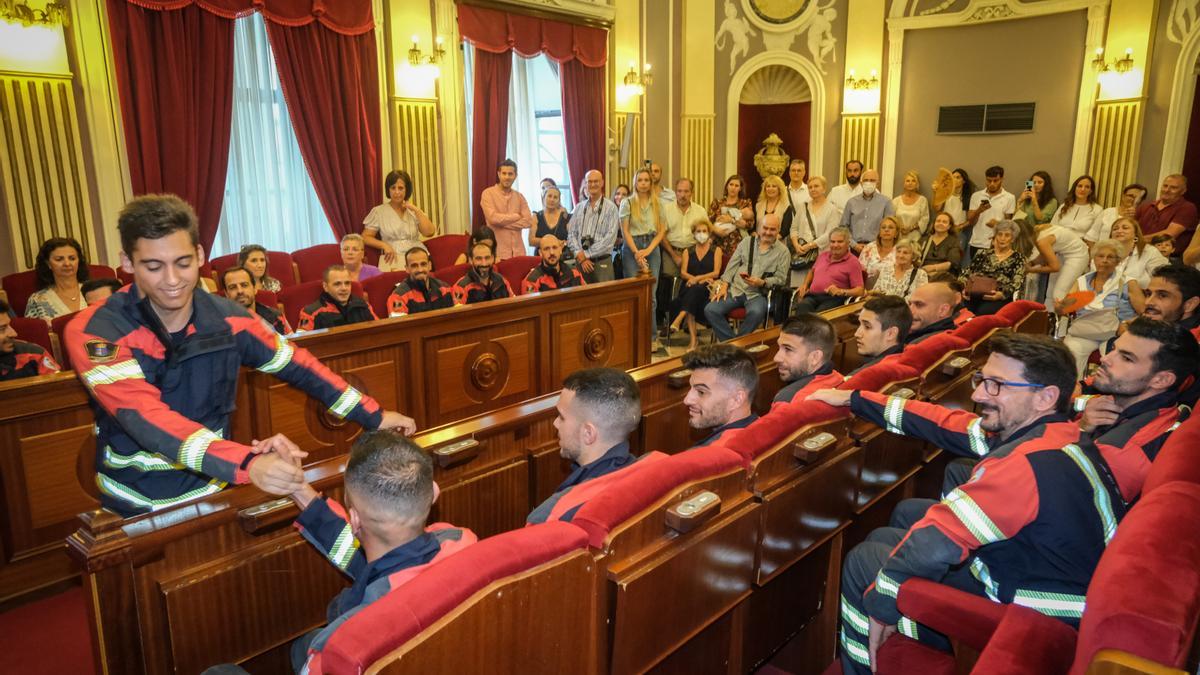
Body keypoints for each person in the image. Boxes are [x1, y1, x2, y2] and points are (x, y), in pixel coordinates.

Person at [64, 194, 415, 517]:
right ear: (127, 262)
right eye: (153, 266)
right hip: (135, 501)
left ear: (201, 255)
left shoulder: (229, 317)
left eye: (183, 263)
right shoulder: (96, 329)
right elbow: (146, 419)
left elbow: (298, 365)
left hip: (214, 487)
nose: (171, 280)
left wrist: (372, 414)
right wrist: (247, 463)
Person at [809, 333, 1125, 675]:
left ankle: (862, 666)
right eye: (980, 380)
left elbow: (933, 544)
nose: (977, 395)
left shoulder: (1023, 464)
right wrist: (855, 399)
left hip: (1034, 630)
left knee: (863, 564)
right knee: (888, 537)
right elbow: (944, 424)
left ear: (1045, 397)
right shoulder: (1057, 433)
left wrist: (884, 604)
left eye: (995, 385)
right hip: (1040, 588)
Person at [284, 430, 476, 674]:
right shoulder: (461, 540)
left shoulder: (339, 643)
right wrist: (298, 488)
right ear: (434, 493)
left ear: (353, 519)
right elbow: (381, 561)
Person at [1075, 317, 1198, 502]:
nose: (1105, 358)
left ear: (1161, 380)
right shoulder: (1161, 410)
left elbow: (1053, 492)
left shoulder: (1123, 451)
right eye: (1114, 349)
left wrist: (1080, 431)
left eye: (1126, 358)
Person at [527, 367, 640, 524]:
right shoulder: (650, 475)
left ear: (588, 433)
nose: (555, 423)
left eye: (561, 417)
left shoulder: (550, 517)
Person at [704, 214, 790, 342]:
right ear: (759, 228)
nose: (768, 232)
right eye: (765, 228)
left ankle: (737, 345)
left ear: (778, 230)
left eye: (772, 229)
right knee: (710, 309)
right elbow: (731, 266)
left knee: (756, 313)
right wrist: (724, 285)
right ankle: (734, 345)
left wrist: (763, 282)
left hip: (758, 295)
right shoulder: (746, 242)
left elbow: (781, 279)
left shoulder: (783, 252)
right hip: (735, 290)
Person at [1058, 241, 1130, 375]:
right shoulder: (1081, 281)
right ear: (1093, 259)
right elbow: (1065, 310)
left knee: (1114, 359)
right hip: (1084, 331)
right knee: (1070, 354)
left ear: (1118, 261)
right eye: (1100, 256)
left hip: (1114, 333)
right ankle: (1074, 390)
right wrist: (1062, 308)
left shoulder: (1127, 282)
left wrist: (1126, 323)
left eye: (1110, 257)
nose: (1104, 260)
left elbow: (1144, 311)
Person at [620, 168, 667, 349]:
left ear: (651, 183)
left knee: (651, 296)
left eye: (647, 180)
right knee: (634, 295)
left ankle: (651, 337)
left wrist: (647, 250)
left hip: (651, 247)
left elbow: (662, 230)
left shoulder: (658, 203)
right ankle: (632, 337)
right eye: (640, 180)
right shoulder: (627, 203)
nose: (643, 183)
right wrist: (637, 253)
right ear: (635, 182)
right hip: (631, 248)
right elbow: (625, 230)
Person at [682, 344, 759, 446]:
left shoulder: (709, 457)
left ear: (736, 399)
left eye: (701, 392)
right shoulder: (763, 429)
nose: (687, 400)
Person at [363, 170, 436, 272]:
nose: (397, 192)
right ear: (388, 190)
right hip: (394, 258)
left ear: (407, 190)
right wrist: (384, 245)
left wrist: (416, 210)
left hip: (418, 257)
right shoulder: (378, 211)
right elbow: (365, 237)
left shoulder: (413, 210)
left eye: (401, 188)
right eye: (393, 188)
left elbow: (429, 232)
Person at [668, 220, 723, 351]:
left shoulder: (716, 250)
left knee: (695, 290)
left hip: (707, 289)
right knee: (693, 292)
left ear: (709, 233)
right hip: (688, 286)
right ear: (693, 234)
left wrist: (697, 278)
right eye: (698, 231)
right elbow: (683, 272)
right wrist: (693, 279)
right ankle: (693, 339)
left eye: (704, 231)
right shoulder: (688, 251)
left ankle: (681, 319)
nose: (701, 234)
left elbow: (716, 273)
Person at [960, 220, 1027, 315]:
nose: (1002, 238)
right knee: (962, 309)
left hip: (998, 296)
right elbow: (967, 272)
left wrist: (1001, 295)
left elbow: (1017, 283)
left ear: (1012, 239)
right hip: (975, 293)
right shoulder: (982, 253)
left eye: (1007, 235)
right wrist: (963, 288)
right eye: (1000, 234)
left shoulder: (1019, 258)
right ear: (995, 236)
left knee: (983, 312)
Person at [793, 227, 865, 314]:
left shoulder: (853, 262)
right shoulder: (823, 256)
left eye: (840, 242)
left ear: (848, 243)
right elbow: (812, 271)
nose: (835, 245)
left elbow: (859, 290)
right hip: (813, 296)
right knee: (802, 309)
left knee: (820, 316)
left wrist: (841, 291)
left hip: (834, 298)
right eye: (833, 241)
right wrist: (805, 285)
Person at [772, 314, 842, 404]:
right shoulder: (842, 383)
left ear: (815, 357)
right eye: (779, 347)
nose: (776, 358)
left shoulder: (787, 400)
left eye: (788, 349)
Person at [568, 170, 621, 284]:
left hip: (602, 263)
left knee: (605, 300)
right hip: (580, 263)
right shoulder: (578, 208)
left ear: (602, 183)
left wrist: (586, 254)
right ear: (585, 185)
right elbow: (571, 234)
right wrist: (579, 255)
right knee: (581, 300)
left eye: (596, 181)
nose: (592, 184)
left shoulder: (611, 208)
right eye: (589, 182)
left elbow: (610, 238)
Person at [480, 159, 535, 262]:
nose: (507, 177)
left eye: (510, 174)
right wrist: (516, 216)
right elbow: (492, 219)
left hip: (519, 252)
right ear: (498, 174)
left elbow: (528, 221)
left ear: (515, 175)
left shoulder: (520, 197)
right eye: (504, 173)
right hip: (498, 254)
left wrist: (501, 223)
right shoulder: (487, 194)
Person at [24, 237, 90, 322]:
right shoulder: (37, 300)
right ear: (48, 263)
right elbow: (33, 333)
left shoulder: (94, 290)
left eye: (72, 258)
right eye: (59, 259)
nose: (67, 263)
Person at [1030, 216, 1090, 309]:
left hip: (1078, 256)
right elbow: (1042, 258)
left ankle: (1065, 321)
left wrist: (1031, 270)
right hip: (1065, 253)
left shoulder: (1041, 242)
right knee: (1050, 293)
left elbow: (1055, 267)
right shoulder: (1041, 232)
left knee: (1058, 294)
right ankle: (1051, 319)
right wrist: (1030, 264)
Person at [298, 265, 377, 331]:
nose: (344, 288)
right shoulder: (309, 313)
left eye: (347, 283)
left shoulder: (364, 306)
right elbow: (301, 343)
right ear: (325, 287)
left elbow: (379, 331)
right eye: (337, 284)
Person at [847, 295, 910, 377]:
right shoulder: (901, 359)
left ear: (891, 333)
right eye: (859, 324)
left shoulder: (869, 375)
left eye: (867, 327)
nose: (857, 334)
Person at [1137, 173, 1198, 254]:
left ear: (1183, 191)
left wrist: (1137, 241)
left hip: (1169, 258)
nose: (1167, 190)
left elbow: (1169, 235)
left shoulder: (1187, 208)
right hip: (1140, 253)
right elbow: (1131, 228)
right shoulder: (1146, 206)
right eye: (1165, 186)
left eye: (1173, 188)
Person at [965, 166, 1016, 260]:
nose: (992, 184)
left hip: (997, 244)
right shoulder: (976, 196)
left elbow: (1009, 225)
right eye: (989, 180)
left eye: (995, 180)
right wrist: (978, 210)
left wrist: (997, 225)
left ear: (1002, 179)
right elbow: (970, 221)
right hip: (977, 242)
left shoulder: (1009, 197)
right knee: (975, 273)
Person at [661, 177, 707, 280]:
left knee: (692, 285)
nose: (682, 195)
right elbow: (661, 235)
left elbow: (706, 235)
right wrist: (674, 256)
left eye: (686, 191)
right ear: (675, 192)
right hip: (671, 252)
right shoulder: (666, 209)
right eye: (679, 191)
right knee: (669, 285)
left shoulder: (700, 211)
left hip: (693, 252)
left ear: (692, 193)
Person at [387, 248, 455, 317]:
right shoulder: (398, 297)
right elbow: (399, 326)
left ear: (429, 266)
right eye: (414, 266)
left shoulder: (445, 289)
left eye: (423, 264)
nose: (420, 269)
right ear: (407, 269)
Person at [839, 169, 895, 254]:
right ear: (861, 183)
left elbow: (891, 227)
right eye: (866, 180)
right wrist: (854, 245)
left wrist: (874, 246)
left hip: (877, 249)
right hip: (853, 249)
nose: (868, 183)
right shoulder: (851, 202)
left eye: (872, 180)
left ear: (877, 183)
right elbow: (843, 227)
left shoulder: (886, 202)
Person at [0, 301, 59, 380]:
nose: (14, 333)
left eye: (9, 325)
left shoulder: (34, 353)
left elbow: (59, 387)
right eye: (2, 329)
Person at [222, 266, 291, 334]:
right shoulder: (220, 326)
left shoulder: (276, 316)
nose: (240, 291)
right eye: (232, 287)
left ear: (254, 289)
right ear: (226, 294)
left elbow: (291, 343)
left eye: (244, 285)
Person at [791, 175, 842, 255]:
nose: (813, 189)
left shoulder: (832, 209)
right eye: (810, 187)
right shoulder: (803, 207)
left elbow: (830, 233)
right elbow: (794, 229)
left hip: (822, 254)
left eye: (816, 186)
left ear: (824, 189)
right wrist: (796, 245)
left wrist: (809, 246)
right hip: (801, 253)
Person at [707, 174, 755, 259]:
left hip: (737, 245)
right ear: (727, 186)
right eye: (731, 184)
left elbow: (750, 224)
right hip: (718, 243)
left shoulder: (745, 203)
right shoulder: (717, 203)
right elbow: (708, 222)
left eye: (736, 185)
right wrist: (717, 230)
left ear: (740, 188)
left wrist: (731, 220)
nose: (733, 188)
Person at [452, 239, 514, 305]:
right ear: (470, 260)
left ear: (492, 258)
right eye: (479, 259)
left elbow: (514, 305)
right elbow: (458, 314)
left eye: (487, 258)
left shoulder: (502, 280)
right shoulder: (461, 287)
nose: (484, 263)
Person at [892, 170, 930, 242]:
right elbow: (891, 218)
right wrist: (899, 227)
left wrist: (911, 228)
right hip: (898, 237)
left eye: (913, 181)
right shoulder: (896, 201)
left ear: (917, 184)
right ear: (904, 183)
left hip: (915, 238)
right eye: (908, 181)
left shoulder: (922, 200)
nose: (910, 183)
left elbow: (925, 219)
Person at [857, 216, 900, 281]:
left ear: (896, 233)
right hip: (868, 287)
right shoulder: (869, 248)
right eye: (883, 227)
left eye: (890, 227)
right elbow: (859, 271)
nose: (886, 230)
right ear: (879, 232)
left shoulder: (900, 250)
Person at [530, 185, 569, 253]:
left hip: (561, 255)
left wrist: (565, 243)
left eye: (555, 197)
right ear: (543, 198)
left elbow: (572, 240)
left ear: (559, 200)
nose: (552, 199)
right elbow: (531, 241)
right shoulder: (536, 216)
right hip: (541, 256)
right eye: (549, 196)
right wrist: (556, 242)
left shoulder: (566, 217)